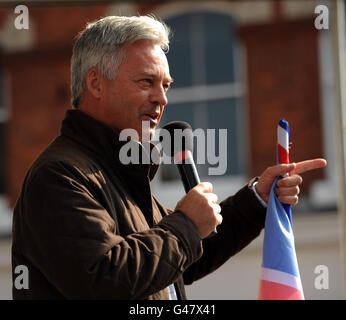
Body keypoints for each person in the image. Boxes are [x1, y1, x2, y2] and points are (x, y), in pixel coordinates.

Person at [11, 15, 326, 300]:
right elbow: (104, 280)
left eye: (165, 86)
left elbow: (179, 257)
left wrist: (257, 199)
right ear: (95, 83)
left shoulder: (119, 174)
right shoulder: (60, 176)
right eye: (146, 82)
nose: (161, 99)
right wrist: (186, 223)